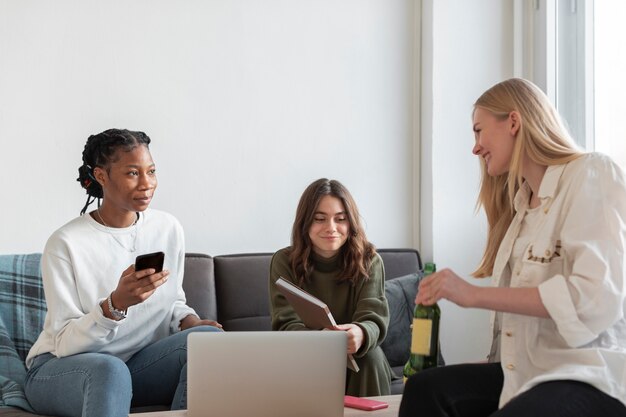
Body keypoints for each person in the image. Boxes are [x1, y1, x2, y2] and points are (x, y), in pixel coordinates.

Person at [399, 78, 626, 416]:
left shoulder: (591, 173)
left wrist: (472, 295)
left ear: (514, 123)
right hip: (525, 374)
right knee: (425, 388)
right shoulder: (521, 209)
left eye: (479, 130)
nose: (475, 148)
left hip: (587, 374)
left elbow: (592, 299)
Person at [24, 129, 222, 417]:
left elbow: (173, 301)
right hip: (64, 370)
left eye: (151, 171)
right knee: (109, 370)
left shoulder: (167, 228)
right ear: (101, 176)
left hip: (135, 366)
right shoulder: (66, 243)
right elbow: (64, 343)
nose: (147, 184)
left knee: (207, 343)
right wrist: (115, 305)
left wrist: (189, 321)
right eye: (132, 173)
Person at [269, 178, 392, 397]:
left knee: (371, 357)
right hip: (305, 355)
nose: (331, 228)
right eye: (319, 219)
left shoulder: (370, 261)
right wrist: (320, 340)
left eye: (341, 219)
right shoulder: (284, 261)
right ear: (305, 222)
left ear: (351, 222)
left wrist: (361, 333)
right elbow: (285, 324)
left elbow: (373, 317)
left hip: (358, 360)